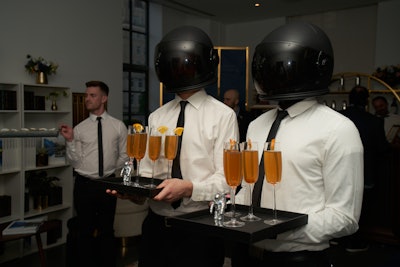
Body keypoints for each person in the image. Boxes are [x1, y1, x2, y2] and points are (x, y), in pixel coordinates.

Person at [233, 22, 364, 267]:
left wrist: (279, 229)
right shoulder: (256, 125)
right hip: (245, 255)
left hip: (298, 260)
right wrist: (228, 209)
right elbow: (248, 189)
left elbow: (345, 217)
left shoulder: (338, 129)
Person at [109, 26, 239, 267]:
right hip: (156, 228)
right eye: (174, 63)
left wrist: (189, 188)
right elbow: (149, 174)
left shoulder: (223, 116)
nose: (179, 70)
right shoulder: (157, 117)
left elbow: (229, 182)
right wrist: (136, 194)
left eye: (186, 63)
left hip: (200, 230)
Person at [60, 81, 128, 267]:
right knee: (84, 231)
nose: (87, 99)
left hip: (108, 184)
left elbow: (124, 155)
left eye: (92, 95)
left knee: (107, 230)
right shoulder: (80, 128)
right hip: (84, 185)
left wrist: (109, 169)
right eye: (86, 95)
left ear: (104, 98)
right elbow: (74, 161)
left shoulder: (118, 126)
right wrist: (70, 141)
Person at [339, 86, 390, 252]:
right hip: (364, 173)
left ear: (349, 99)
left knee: (339, 206)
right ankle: (354, 241)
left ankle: (339, 239)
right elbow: (382, 149)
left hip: (338, 173)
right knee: (361, 210)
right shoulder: (374, 121)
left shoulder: (338, 118)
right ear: (367, 101)